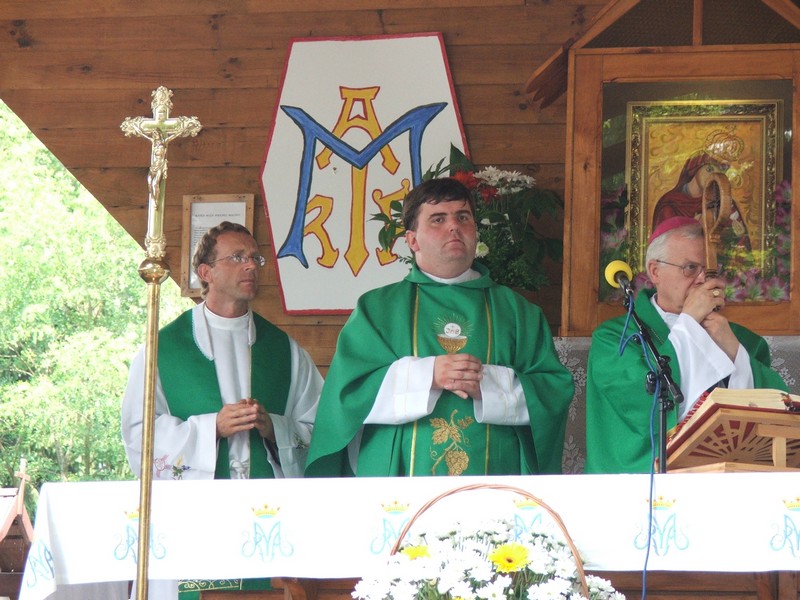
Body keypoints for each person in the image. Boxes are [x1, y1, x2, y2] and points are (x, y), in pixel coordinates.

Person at [304, 177, 574, 477]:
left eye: (463, 217)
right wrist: (428, 375)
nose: (454, 226)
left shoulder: (519, 312)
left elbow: (552, 392)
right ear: (412, 240)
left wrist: (488, 384)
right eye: (438, 219)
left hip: (496, 478)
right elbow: (347, 396)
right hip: (400, 483)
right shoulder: (377, 309)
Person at [121, 221, 322, 599]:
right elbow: (139, 432)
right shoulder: (162, 349)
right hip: (194, 521)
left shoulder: (285, 351)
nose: (251, 266)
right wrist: (210, 427)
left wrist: (274, 427)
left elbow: (318, 427)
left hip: (267, 518)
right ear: (206, 272)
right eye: (238, 257)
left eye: (255, 258)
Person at [585, 216, 787, 474]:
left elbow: (778, 410)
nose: (702, 279)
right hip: (642, 482)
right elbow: (641, 407)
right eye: (690, 268)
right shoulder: (615, 338)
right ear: (655, 271)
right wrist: (689, 322)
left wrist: (734, 352)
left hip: (728, 478)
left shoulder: (741, 340)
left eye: (709, 271)